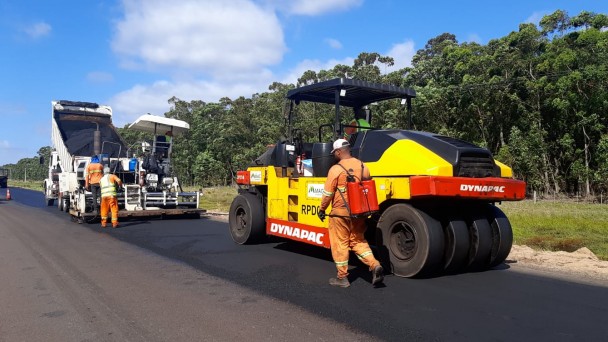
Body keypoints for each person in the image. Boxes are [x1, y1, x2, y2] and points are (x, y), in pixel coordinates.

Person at [317, 138, 384, 287]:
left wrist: (322, 209)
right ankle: (374, 264)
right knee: (358, 241)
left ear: (339, 152)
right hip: (358, 213)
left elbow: (328, 193)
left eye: (335, 152)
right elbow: (367, 187)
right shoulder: (363, 166)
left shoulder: (336, 169)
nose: (334, 155)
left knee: (340, 243)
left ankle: (342, 277)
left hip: (340, 214)